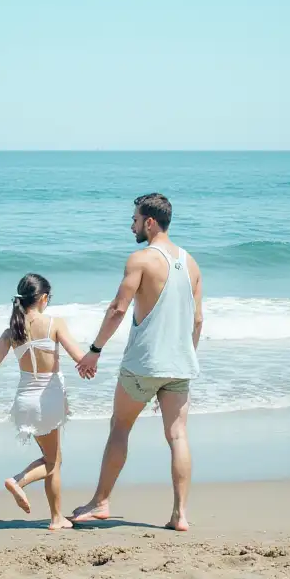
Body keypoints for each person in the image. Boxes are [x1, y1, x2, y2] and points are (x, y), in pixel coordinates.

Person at [72, 193, 203, 531]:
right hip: (179, 365)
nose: (130, 224)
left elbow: (118, 309)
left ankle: (101, 501)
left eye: (134, 219)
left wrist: (94, 350)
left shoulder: (141, 259)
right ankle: (180, 515)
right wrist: (185, 359)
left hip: (143, 364)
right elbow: (198, 321)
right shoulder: (191, 264)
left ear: (149, 222)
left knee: (120, 426)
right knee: (177, 435)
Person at [0, 273, 86, 531]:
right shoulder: (54, 324)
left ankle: (57, 517)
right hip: (49, 399)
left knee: (51, 458)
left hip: (24, 401)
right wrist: (93, 360)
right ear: (43, 298)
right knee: (52, 461)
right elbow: (79, 357)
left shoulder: (11, 332)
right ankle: (18, 481)